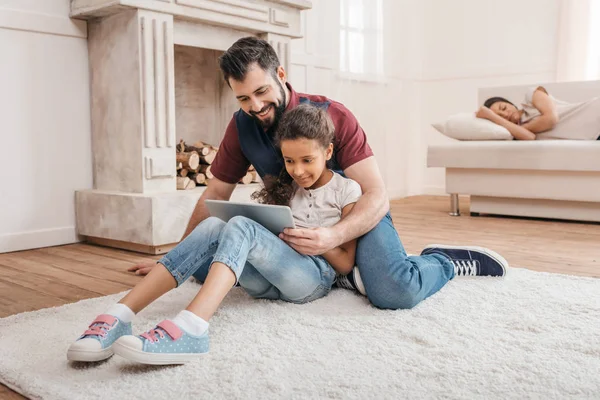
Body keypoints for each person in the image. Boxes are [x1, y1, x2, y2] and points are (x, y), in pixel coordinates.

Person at [129, 36, 507, 309]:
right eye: (243, 98)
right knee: (199, 269)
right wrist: (176, 257)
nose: (256, 106)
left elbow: (376, 194)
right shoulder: (241, 125)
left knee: (394, 292)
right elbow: (215, 192)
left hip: (352, 216)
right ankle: (344, 275)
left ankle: (440, 260)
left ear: (280, 73)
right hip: (299, 229)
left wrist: (333, 236)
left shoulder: (334, 115)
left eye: (262, 92)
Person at [67, 104, 363, 364]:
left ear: (328, 151)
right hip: (266, 281)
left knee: (240, 226)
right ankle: (119, 316)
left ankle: (193, 327)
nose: (297, 170)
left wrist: (319, 241)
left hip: (312, 278)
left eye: (307, 160)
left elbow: (345, 263)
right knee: (214, 225)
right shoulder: (288, 186)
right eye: (289, 161)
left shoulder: (346, 190)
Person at [477, 86, 600, 140]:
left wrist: (522, 128)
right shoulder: (514, 133)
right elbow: (530, 137)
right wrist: (490, 116)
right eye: (499, 117)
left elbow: (551, 119)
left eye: (503, 108)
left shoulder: (531, 96)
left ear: (511, 104)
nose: (505, 115)